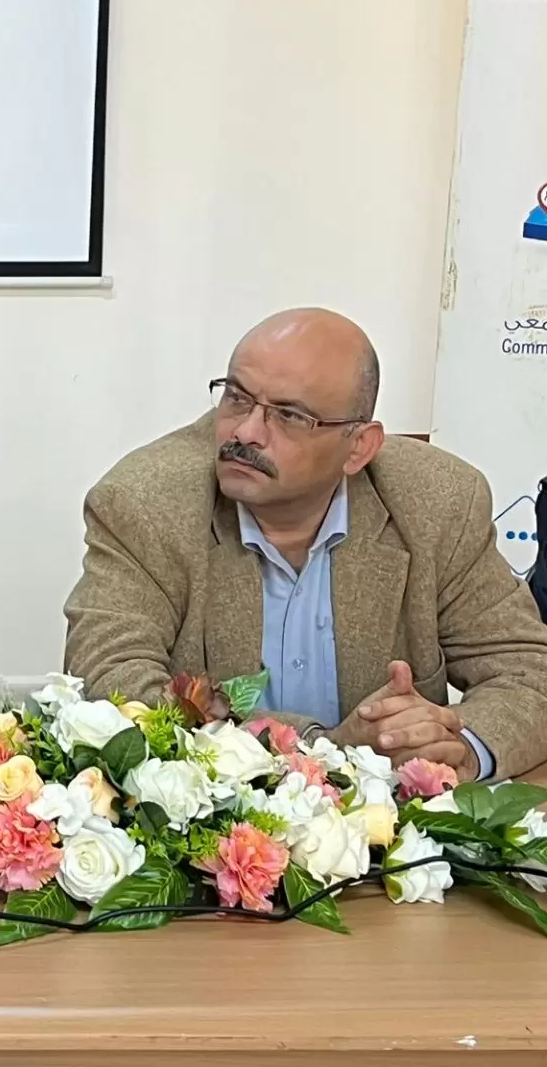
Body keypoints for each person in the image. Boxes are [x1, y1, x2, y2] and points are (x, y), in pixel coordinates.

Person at [63, 307, 547, 781]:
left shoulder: (439, 502)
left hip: (399, 824)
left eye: (290, 415)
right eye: (236, 397)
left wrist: (461, 749)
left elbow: (529, 671)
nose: (246, 432)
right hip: (220, 824)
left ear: (359, 446)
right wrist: (326, 751)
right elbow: (110, 682)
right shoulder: (144, 503)